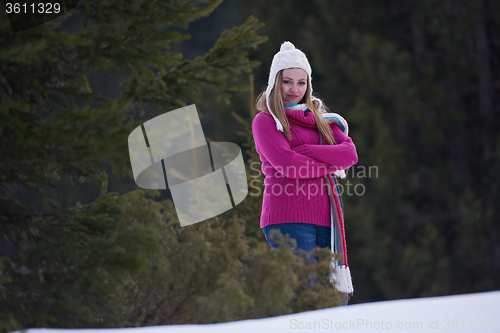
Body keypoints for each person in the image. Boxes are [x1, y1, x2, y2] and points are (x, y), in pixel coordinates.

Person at [251, 41, 358, 304]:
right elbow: (288, 165)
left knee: (334, 298)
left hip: (326, 218)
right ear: (275, 82)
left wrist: (305, 150)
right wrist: (328, 164)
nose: (294, 90)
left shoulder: (320, 119)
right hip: (288, 216)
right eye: (287, 82)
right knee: (307, 295)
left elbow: (349, 154)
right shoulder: (266, 121)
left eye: (301, 83)